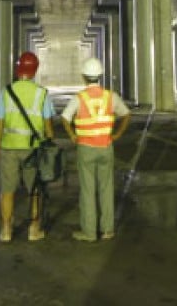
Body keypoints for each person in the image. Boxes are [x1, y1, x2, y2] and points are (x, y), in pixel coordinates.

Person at [61, 57, 131, 242]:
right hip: (106, 147)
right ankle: (107, 230)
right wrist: (117, 135)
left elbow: (65, 118)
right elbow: (126, 114)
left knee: (87, 190)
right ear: (100, 76)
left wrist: (72, 136)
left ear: (84, 77)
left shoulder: (79, 98)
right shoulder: (111, 96)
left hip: (86, 148)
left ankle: (89, 232)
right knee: (106, 188)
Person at [0, 50, 55, 243]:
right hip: (33, 149)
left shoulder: (6, 92)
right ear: (35, 70)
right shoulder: (42, 94)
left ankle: (6, 230)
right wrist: (50, 143)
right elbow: (48, 126)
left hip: (9, 147)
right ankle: (34, 229)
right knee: (34, 190)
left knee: (7, 190)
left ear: (18, 69)